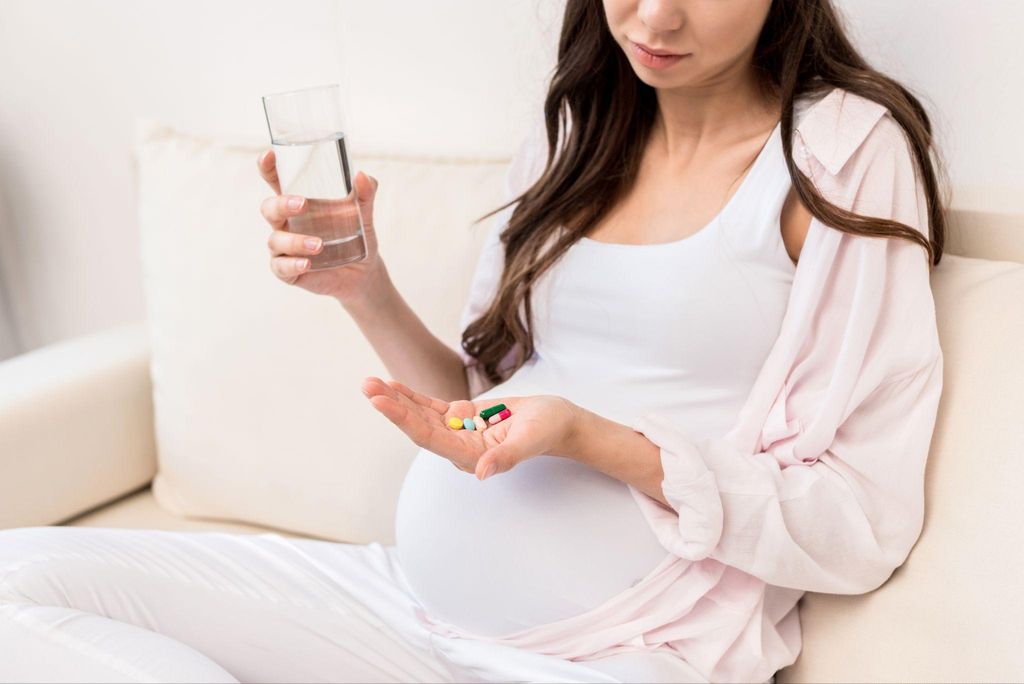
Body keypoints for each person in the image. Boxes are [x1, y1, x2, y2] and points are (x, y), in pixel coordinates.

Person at [0, 0, 946, 682]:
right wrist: (362, 288)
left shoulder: (839, 154)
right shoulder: (577, 133)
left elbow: (861, 521)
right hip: (406, 609)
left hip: (619, 652)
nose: (654, 17)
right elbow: (482, 409)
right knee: (14, 582)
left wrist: (594, 439)